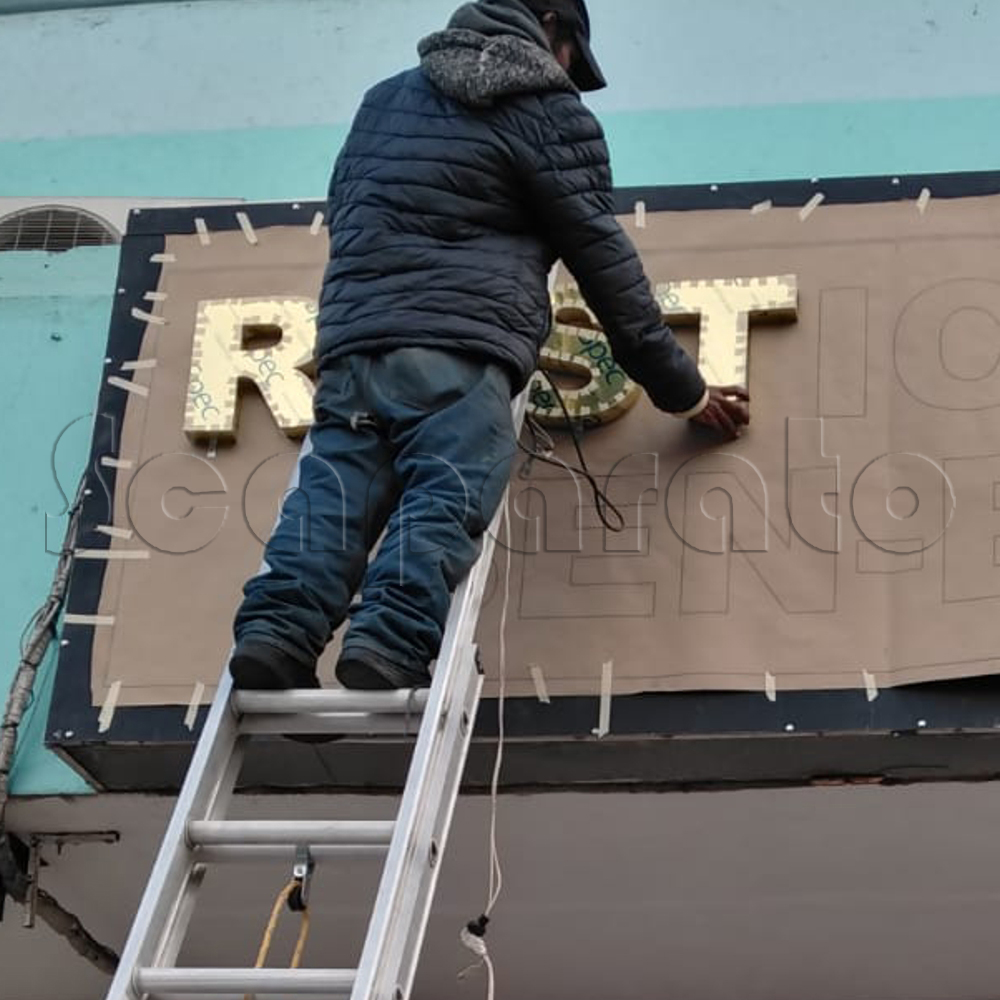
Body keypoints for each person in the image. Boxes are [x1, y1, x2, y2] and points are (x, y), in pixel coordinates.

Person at [228, 0, 750, 693]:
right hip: (461, 342)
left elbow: (348, 208)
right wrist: (683, 388)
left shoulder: (384, 100)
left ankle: (276, 633)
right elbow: (604, 264)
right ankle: (387, 641)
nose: (567, 70)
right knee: (446, 488)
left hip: (355, 341)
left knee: (335, 491)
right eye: (571, 54)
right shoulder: (548, 113)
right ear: (549, 25)